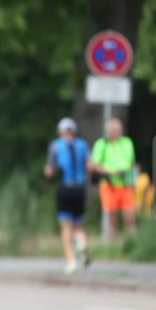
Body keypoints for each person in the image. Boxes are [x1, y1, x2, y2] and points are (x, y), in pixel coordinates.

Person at [44, 117, 91, 274]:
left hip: (65, 187)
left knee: (65, 225)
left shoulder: (56, 146)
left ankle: (71, 261)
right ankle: (81, 243)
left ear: (60, 132)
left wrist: (50, 171)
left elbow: (49, 171)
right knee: (78, 225)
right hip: (80, 188)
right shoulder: (82, 145)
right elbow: (90, 165)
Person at [89, 117, 137, 239]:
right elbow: (95, 165)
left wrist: (134, 178)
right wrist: (112, 172)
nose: (118, 132)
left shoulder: (127, 142)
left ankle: (132, 244)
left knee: (130, 217)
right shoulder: (101, 144)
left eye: (119, 130)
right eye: (115, 130)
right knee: (112, 218)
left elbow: (132, 163)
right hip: (109, 184)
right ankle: (112, 245)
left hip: (126, 184)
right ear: (109, 131)